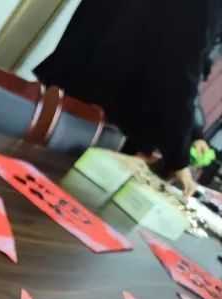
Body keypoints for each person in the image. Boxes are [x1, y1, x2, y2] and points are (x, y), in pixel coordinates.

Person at [35, 0, 222, 196]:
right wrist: (179, 156)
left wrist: (193, 134)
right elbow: (179, 76)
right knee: (55, 194)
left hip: (62, 89)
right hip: (100, 122)